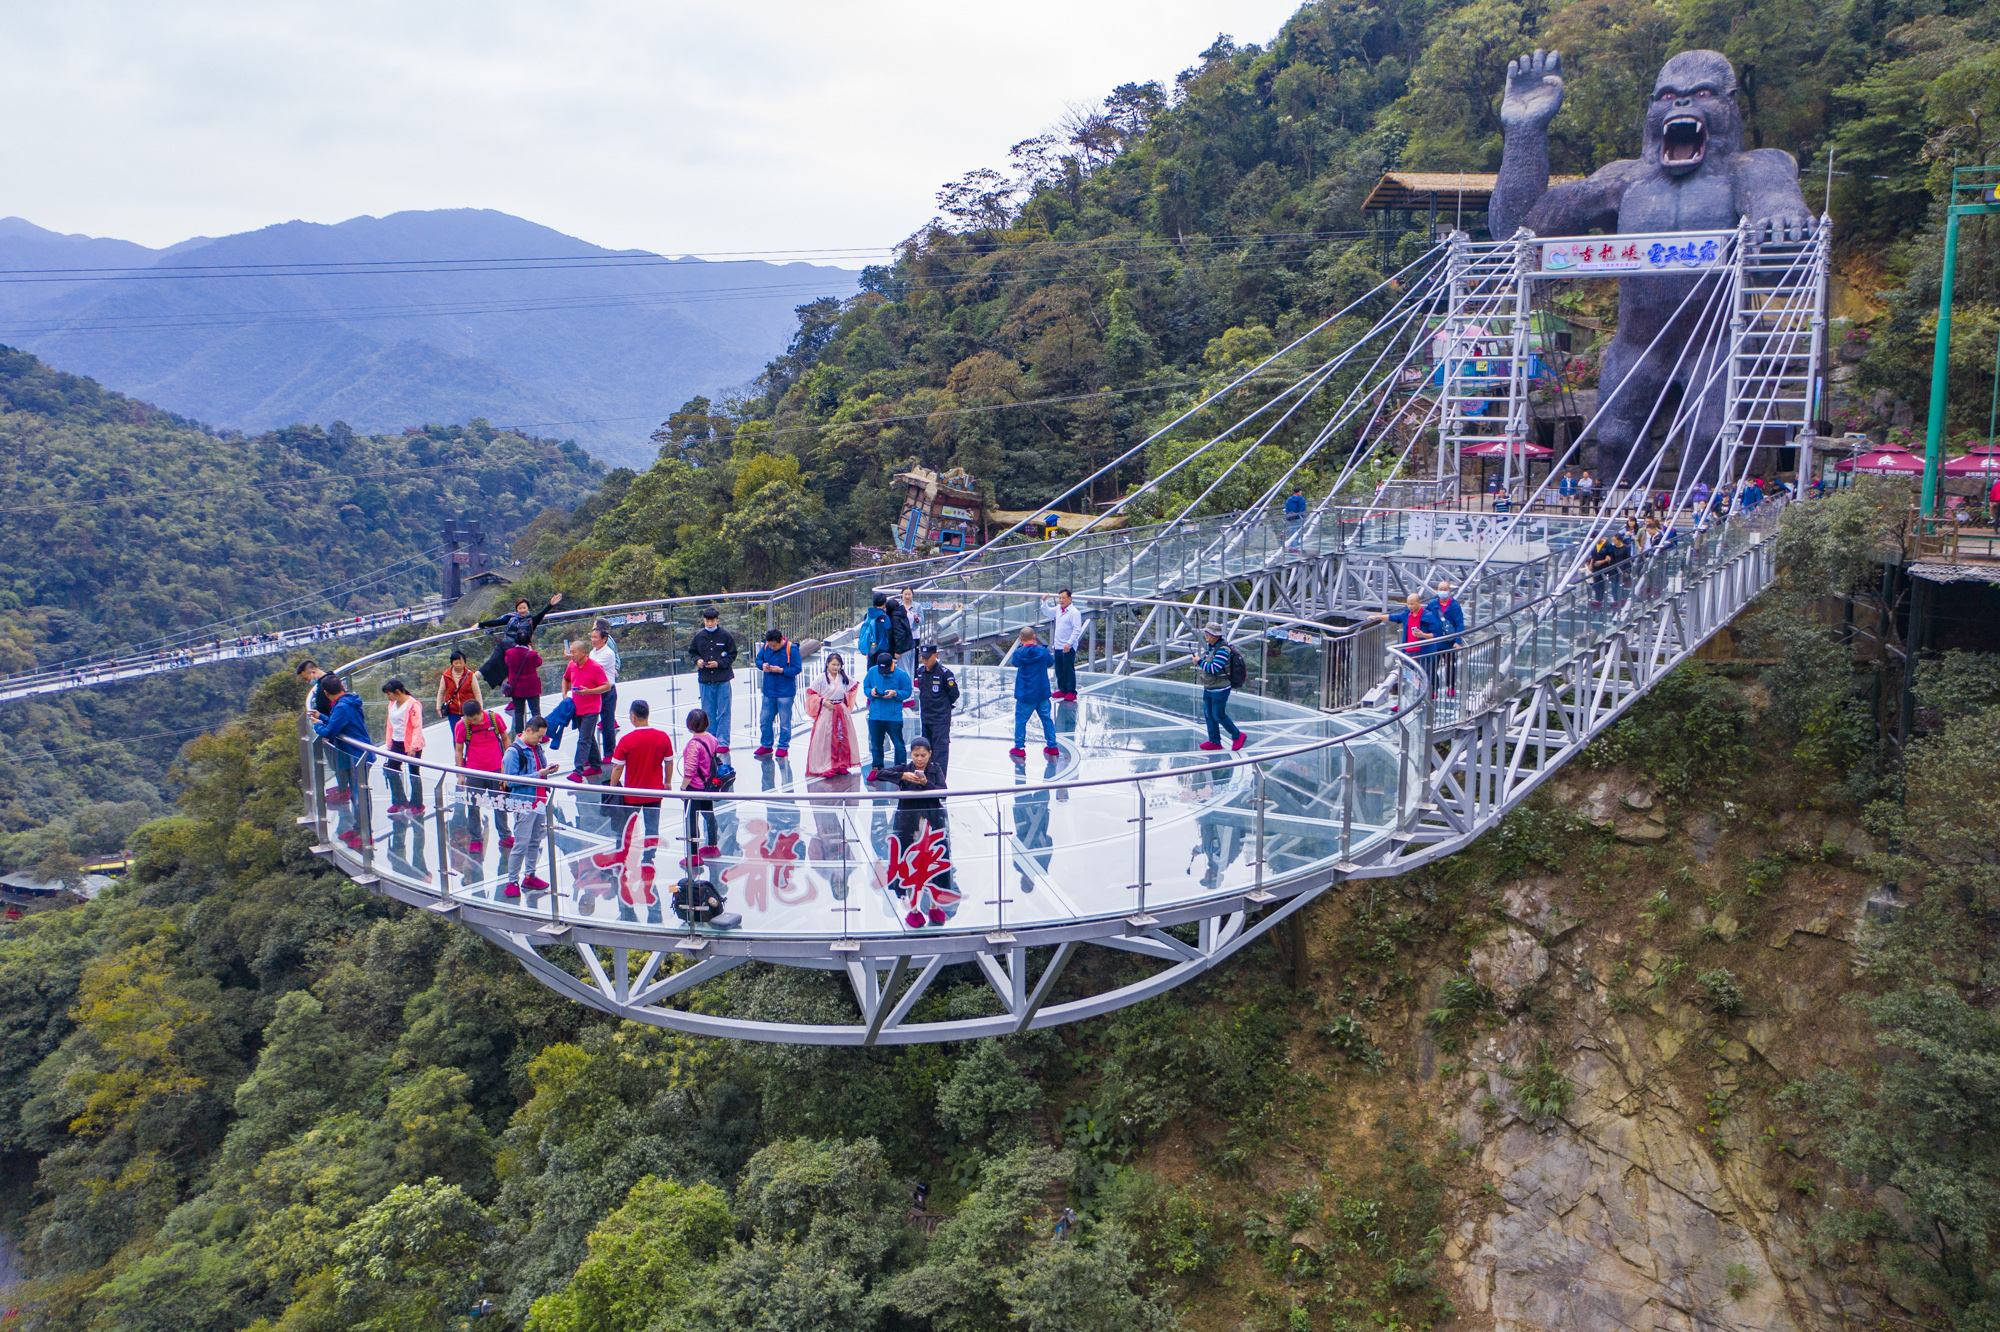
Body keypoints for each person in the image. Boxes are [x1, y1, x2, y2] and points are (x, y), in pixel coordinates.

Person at [310, 674, 374, 849]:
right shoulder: (346, 702)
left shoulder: (342, 707)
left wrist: (317, 724)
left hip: (357, 757)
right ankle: (358, 829)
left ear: (325, 692)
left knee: (360, 795)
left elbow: (329, 732)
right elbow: (338, 724)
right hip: (355, 755)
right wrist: (322, 716)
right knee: (356, 794)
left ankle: (365, 834)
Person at [501, 716, 557, 900]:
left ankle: (530, 875)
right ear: (528, 730)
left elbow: (538, 769)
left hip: (539, 800)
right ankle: (512, 881)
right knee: (521, 843)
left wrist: (546, 771)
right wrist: (539, 774)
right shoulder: (513, 752)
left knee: (535, 840)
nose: (540, 740)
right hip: (524, 803)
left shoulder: (536, 748)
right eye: (539, 736)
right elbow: (510, 781)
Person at [609, 697, 674, 854]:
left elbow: (618, 767)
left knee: (626, 827)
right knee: (652, 828)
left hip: (632, 794)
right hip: (654, 792)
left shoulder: (626, 740)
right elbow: (669, 762)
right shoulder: (663, 737)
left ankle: (622, 853)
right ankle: (649, 857)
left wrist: (613, 788)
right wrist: (667, 782)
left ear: (632, 716)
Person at [453, 699, 510, 856]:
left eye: (476, 719)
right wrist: (460, 774)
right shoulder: (462, 726)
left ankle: (505, 836)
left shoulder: (494, 719)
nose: (473, 722)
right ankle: (476, 838)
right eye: (470, 719)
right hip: (474, 771)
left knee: (500, 803)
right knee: (473, 805)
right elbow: (459, 749)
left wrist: (510, 765)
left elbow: (505, 739)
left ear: (481, 712)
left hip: (496, 770)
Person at [875, 736, 947, 855]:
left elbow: (943, 792)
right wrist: (903, 776)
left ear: (929, 754)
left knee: (933, 851)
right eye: (916, 755)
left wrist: (926, 784)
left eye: (923, 756)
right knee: (907, 852)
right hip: (908, 818)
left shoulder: (936, 768)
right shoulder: (905, 768)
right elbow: (880, 774)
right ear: (911, 754)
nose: (919, 759)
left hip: (931, 817)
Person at [478, 593, 563, 688]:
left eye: (524, 608)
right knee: (492, 661)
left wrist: (550, 604)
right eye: (520, 608)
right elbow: (496, 622)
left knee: (512, 673)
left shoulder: (532, 620)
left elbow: (542, 614)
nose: (522, 610)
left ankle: (510, 690)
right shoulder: (511, 618)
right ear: (517, 610)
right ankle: (474, 677)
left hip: (518, 650)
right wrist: (480, 624)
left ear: (528, 608)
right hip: (504, 645)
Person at [803, 652, 862, 778]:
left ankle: (841, 764)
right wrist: (823, 701)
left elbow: (852, 688)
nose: (835, 667)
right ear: (827, 664)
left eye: (838, 664)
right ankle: (826, 766)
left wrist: (844, 703)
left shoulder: (844, 678)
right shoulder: (820, 679)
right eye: (833, 664)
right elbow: (811, 694)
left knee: (842, 737)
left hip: (840, 709)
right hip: (827, 710)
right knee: (826, 739)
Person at [687, 605, 738, 753]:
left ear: (717, 620)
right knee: (708, 712)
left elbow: (732, 654)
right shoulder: (699, 637)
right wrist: (698, 660)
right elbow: (692, 652)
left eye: (712, 621)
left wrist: (719, 664)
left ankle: (723, 742)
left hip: (722, 679)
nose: (710, 623)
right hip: (705, 679)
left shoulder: (725, 636)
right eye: (707, 621)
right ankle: (711, 739)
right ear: (703, 620)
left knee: (724, 711)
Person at [561, 640, 613, 777]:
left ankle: (577, 770)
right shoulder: (572, 665)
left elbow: (606, 686)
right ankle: (596, 765)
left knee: (584, 739)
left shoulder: (595, 667)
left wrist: (589, 691)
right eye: (570, 651)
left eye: (573, 652)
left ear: (583, 652)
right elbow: (566, 679)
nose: (570, 655)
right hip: (577, 708)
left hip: (591, 708)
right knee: (588, 736)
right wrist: (565, 694)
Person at [679, 708, 724, 864]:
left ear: (690, 724)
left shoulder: (693, 745)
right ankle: (712, 846)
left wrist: (683, 788)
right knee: (709, 815)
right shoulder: (712, 738)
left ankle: (693, 855)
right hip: (708, 785)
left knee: (691, 820)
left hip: (694, 788)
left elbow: (690, 770)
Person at [1193, 625, 1245, 752]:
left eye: (1209, 634)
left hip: (1220, 689)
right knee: (1209, 715)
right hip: (1210, 688)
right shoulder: (1212, 648)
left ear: (1216, 635)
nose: (1206, 636)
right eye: (1206, 633)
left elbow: (1214, 668)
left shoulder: (1222, 650)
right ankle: (1214, 741)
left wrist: (1199, 662)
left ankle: (1238, 735)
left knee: (1218, 715)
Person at [1009, 626, 1059, 760]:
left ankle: (1019, 748)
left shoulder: (1018, 653)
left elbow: (1015, 663)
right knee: (1047, 720)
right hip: (1042, 692)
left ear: (1020, 639)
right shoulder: (1043, 652)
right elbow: (1050, 662)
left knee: (1021, 721)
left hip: (1025, 694)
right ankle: (1052, 746)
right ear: (1034, 637)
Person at [753, 628, 802, 758]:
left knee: (784, 721)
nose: (772, 648)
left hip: (785, 691)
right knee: (765, 719)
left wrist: (781, 670)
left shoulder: (791, 648)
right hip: (769, 690)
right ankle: (766, 745)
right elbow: (758, 660)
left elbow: (797, 668)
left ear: (781, 641)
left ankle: (783, 746)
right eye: (770, 645)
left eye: (774, 645)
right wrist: (762, 665)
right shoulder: (766, 646)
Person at [381, 677, 426, 816]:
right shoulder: (392, 704)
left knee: (414, 773)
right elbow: (390, 724)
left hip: (411, 744)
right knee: (392, 770)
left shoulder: (413, 705)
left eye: (389, 694)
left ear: (397, 692)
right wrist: (389, 742)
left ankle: (417, 803)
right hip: (397, 742)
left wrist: (413, 746)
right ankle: (399, 800)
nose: (388, 697)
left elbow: (417, 726)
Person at [914, 644, 960, 778]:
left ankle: (939, 782)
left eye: (927, 657)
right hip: (926, 718)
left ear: (935, 656)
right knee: (925, 751)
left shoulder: (945, 673)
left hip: (940, 719)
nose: (925, 660)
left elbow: (954, 694)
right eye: (923, 657)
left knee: (940, 752)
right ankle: (926, 779)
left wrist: (943, 706)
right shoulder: (921, 672)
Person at [864, 650, 913, 770]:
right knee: (876, 745)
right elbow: (866, 687)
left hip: (893, 716)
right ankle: (877, 768)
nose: (883, 673)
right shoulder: (872, 671)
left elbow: (908, 692)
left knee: (899, 745)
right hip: (875, 715)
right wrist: (871, 693)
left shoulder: (901, 674)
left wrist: (895, 693)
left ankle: (900, 769)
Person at [1041, 588, 1084, 702]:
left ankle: (1071, 691)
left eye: (1063, 598)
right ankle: (1063, 689)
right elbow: (1047, 612)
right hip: (1058, 645)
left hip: (1068, 645)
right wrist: (1044, 602)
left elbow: (1076, 630)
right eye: (1060, 598)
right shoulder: (1058, 609)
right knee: (1059, 668)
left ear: (1069, 598)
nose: (1061, 600)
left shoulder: (1074, 612)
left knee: (1068, 668)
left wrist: (1069, 643)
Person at [589, 619, 622, 767]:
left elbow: (593, 668)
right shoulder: (592, 652)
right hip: (595, 691)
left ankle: (610, 752)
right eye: (592, 637)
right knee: (591, 723)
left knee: (607, 723)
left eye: (595, 637)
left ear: (604, 638)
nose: (593, 640)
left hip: (607, 692)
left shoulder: (607, 651)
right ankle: (593, 754)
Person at [1427, 581, 1466, 699]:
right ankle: (1434, 689)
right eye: (1440, 589)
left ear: (1449, 591)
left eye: (1445, 589)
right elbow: (1425, 619)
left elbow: (1459, 624)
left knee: (1449, 665)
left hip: (1449, 642)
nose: (1442, 591)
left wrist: (1458, 641)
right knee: (1433, 667)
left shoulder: (1455, 606)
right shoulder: (1432, 605)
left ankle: (1451, 686)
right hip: (1435, 641)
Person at [504, 639, 545, 736]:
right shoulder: (532, 654)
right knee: (535, 711)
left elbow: (507, 662)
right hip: (532, 688)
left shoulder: (509, 653)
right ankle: (538, 733)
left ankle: (520, 735)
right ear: (529, 642)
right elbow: (539, 663)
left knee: (519, 712)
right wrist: (531, 651)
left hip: (517, 688)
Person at [437, 648, 481, 724]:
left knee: (471, 732)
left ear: (464, 662)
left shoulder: (470, 675)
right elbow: (441, 693)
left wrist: (480, 708)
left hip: (469, 710)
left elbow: (477, 693)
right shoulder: (446, 676)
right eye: (456, 663)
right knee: (457, 733)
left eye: (461, 662)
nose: (459, 665)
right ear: (452, 663)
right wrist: (438, 707)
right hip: (453, 711)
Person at [898, 586, 925, 680]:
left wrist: (917, 619)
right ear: (902, 594)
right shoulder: (898, 606)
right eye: (905, 594)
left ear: (912, 595)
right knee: (902, 656)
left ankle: (914, 677)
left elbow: (922, 620)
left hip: (914, 634)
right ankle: (903, 677)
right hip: (902, 635)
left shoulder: (917, 606)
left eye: (909, 594)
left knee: (914, 656)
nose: (907, 596)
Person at [858, 592, 892, 664]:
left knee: (871, 669)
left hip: (871, 646)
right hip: (882, 647)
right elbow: (889, 633)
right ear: (884, 603)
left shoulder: (868, 615)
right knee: (882, 671)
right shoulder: (884, 617)